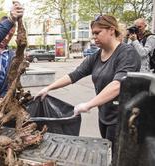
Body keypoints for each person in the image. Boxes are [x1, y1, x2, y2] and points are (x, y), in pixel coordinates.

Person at [35, 15, 141, 151]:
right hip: (105, 115)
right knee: (108, 153)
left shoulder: (127, 53)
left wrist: (88, 104)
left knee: (117, 156)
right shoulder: (97, 56)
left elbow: (118, 84)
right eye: (93, 34)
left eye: (98, 33)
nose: (94, 37)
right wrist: (48, 88)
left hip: (123, 118)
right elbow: (74, 75)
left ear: (111, 30)